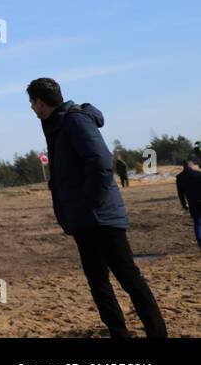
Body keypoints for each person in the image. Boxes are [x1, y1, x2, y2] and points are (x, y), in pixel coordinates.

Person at [28, 78, 168, 338]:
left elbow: (102, 162)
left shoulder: (74, 120)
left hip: (101, 218)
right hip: (84, 219)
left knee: (129, 278)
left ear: (39, 102)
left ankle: (157, 332)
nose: (32, 110)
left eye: (32, 104)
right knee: (98, 281)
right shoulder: (57, 124)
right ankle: (118, 332)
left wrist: (91, 201)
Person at [176, 150, 201, 254]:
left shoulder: (179, 177)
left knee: (198, 223)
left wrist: (184, 204)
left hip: (192, 202)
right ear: (190, 164)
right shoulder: (198, 174)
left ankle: (200, 244)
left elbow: (180, 193)